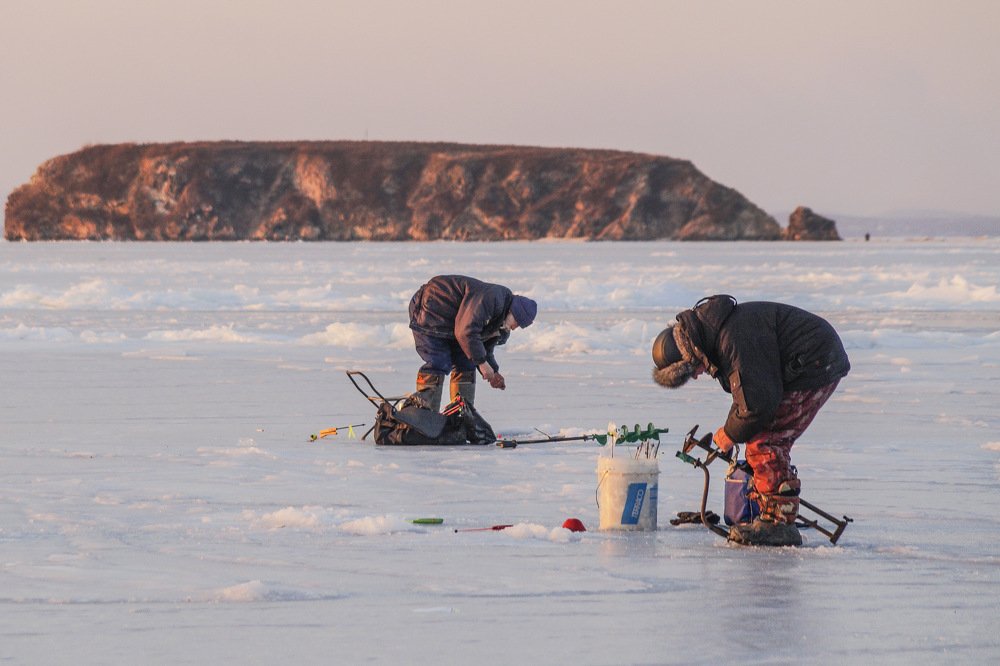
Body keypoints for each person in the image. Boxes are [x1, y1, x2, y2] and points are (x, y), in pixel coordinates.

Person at [652, 294, 850, 546]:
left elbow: (757, 404)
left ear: (690, 356)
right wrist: (730, 431)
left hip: (815, 362)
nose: (697, 376)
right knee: (764, 436)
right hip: (812, 360)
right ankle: (774, 507)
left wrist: (730, 433)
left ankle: (778, 524)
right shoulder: (719, 335)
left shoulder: (732, 340)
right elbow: (745, 395)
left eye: (691, 371)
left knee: (765, 441)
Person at [408, 275, 537, 413]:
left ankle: (461, 415)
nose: (515, 328)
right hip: (430, 307)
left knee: (465, 363)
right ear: (513, 312)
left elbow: (483, 348)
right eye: (517, 322)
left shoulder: (502, 324)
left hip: (454, 324)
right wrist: (482, 363)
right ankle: (425, 414)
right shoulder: (493, 299)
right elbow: (465, 331)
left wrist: (493, 372)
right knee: (438, 362)